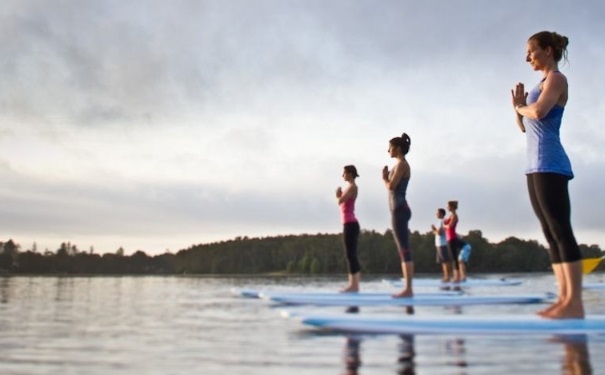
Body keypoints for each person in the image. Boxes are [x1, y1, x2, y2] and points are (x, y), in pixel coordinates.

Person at [511, 31, 584, 319]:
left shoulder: (557, 79)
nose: (527, 57)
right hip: (534, 164)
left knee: (561, 230)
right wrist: (516, 108)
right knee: (549, 233)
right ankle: (564, 299)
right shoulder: (539, 83)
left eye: (532, 51)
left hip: (551, 163)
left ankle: (574, 303)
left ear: (549, 50)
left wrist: (521, 107)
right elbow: (524, 126)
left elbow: (539, 112)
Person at [382, 132, 414, 297]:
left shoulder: (402, 165)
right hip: (399, 209)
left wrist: (384, 179)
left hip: (400, 209)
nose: (388, 151)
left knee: (404, 249)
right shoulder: (398, 165)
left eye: (390, 148)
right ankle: (408, 288)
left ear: (398, 148)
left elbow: (392, 186)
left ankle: (408, 289)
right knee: (403, 249)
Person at [336, 165, 361, 292]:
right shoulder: (349, 188)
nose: (343, 175)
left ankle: (354, 285)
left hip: (351, 224)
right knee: (349, 254)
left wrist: (338, 196)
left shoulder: (352, 187)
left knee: (351, 254)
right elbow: (342, 201)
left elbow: (340, 201)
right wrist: (340, 196)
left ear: (350, 173)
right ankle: (353, 284)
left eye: (344, 173)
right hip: (348, 224)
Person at [443, 200, 464, 283]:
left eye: (448, 206)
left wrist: (444, 225)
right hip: (448, 238)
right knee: (452, 258)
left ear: (451, 207)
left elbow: (450, 226)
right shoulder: (451, 215)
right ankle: (455, 276)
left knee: (454, 258)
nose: (447, 207)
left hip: (452, 238)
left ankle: (457, 277)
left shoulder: (454, 216)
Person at [431, 208, 452, 282]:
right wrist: (434, 230)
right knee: (443, 261)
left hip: (442, 244)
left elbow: (439, 233)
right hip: (440, 244)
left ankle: (447, 277)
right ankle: (446, 276)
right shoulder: (440, 221)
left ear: (441, 214)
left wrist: (433, 230)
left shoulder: (441, 221)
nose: (436, 214)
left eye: (437, 213)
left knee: (445, 261)